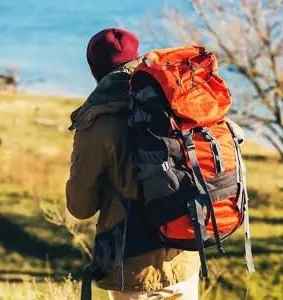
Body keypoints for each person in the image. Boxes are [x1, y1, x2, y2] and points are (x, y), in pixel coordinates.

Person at [66, 28, 201, 300]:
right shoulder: (173, 101)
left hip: (133, 268)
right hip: (185, 257)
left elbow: (80, 207)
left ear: (96, 70)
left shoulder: (98, 123)